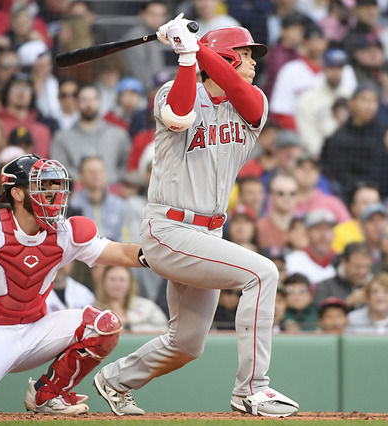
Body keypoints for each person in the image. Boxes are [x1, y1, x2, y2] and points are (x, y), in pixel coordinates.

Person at [93, 19, 299, 418]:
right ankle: (252, 390)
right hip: (168, 229)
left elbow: (243, 93)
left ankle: (116, 380)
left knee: (187, 343)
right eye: (245, 55)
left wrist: (194, 47)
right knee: (263, 273)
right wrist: (188, 55)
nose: (253, 63)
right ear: (223, 56)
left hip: (209, 235)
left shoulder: (251, 103)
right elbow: (179, 115)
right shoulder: (173, 90)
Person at [0, 154, 147, 415]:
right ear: (18, 193)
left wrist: (162, 256)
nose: (54, 193)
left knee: (105, 326)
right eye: (44, 186)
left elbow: (121, 253)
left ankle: (48, 395)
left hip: (34, 330)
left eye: (56, 186)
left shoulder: (66, 231)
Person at [94, 265, 168, 333]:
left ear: (130, 283)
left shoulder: (148, 306)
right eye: (112, 279)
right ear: (104, 282)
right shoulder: (95, 311)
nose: (117, 284)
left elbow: (164, 331)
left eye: (122, 280)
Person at [313, 242, 373, 311]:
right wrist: (346, 304)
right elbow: (319, 316)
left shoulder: (375, 287)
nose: (362, 272)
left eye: (367, 266)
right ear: (344, 262)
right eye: (357, 266)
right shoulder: (324, 287)